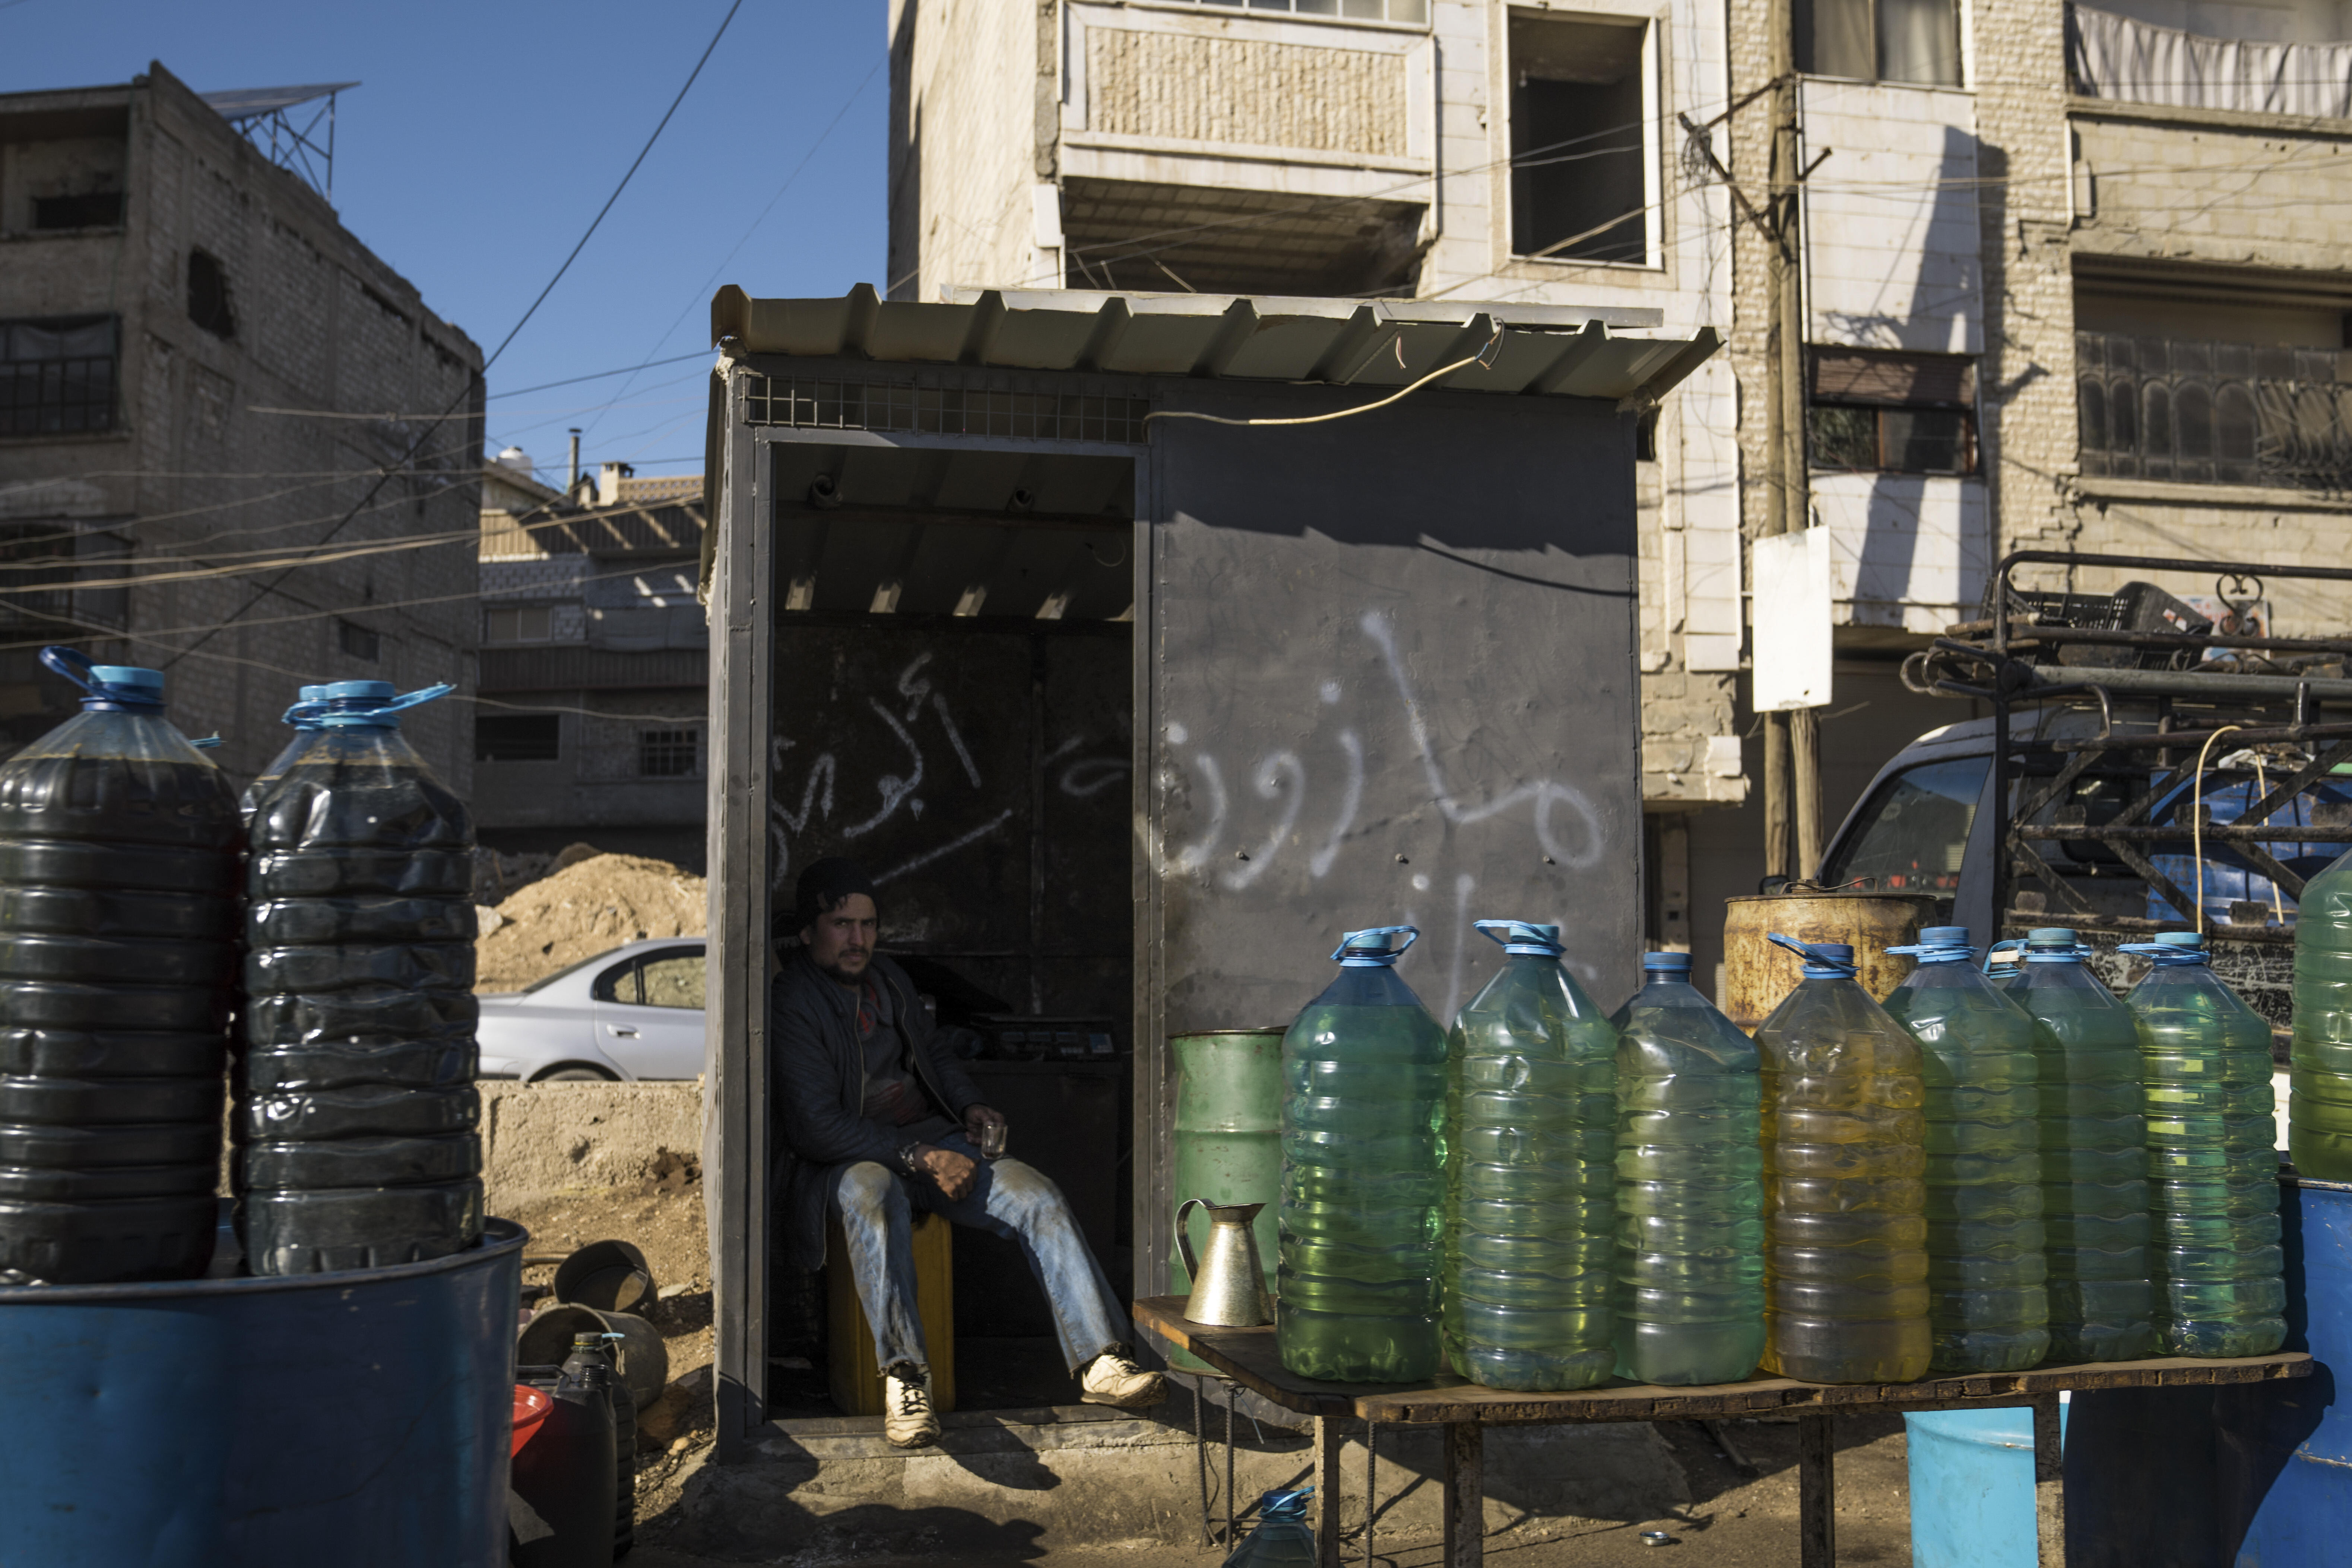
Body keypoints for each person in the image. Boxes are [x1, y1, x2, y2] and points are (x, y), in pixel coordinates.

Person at [769, 856, 1166, 1447]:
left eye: (869, 924)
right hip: (850, 1158)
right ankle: (906, 1379)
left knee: (1035, 1195)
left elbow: (935, 1052)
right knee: (873, 1196)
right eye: (841, 924)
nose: (858, 939)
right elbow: (816, 1129)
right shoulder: (795, 998)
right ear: (807, 931)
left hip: (930, 1140)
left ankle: (1100, 1361)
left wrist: (970, 1106)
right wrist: (924, 1157)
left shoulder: (889, 980)